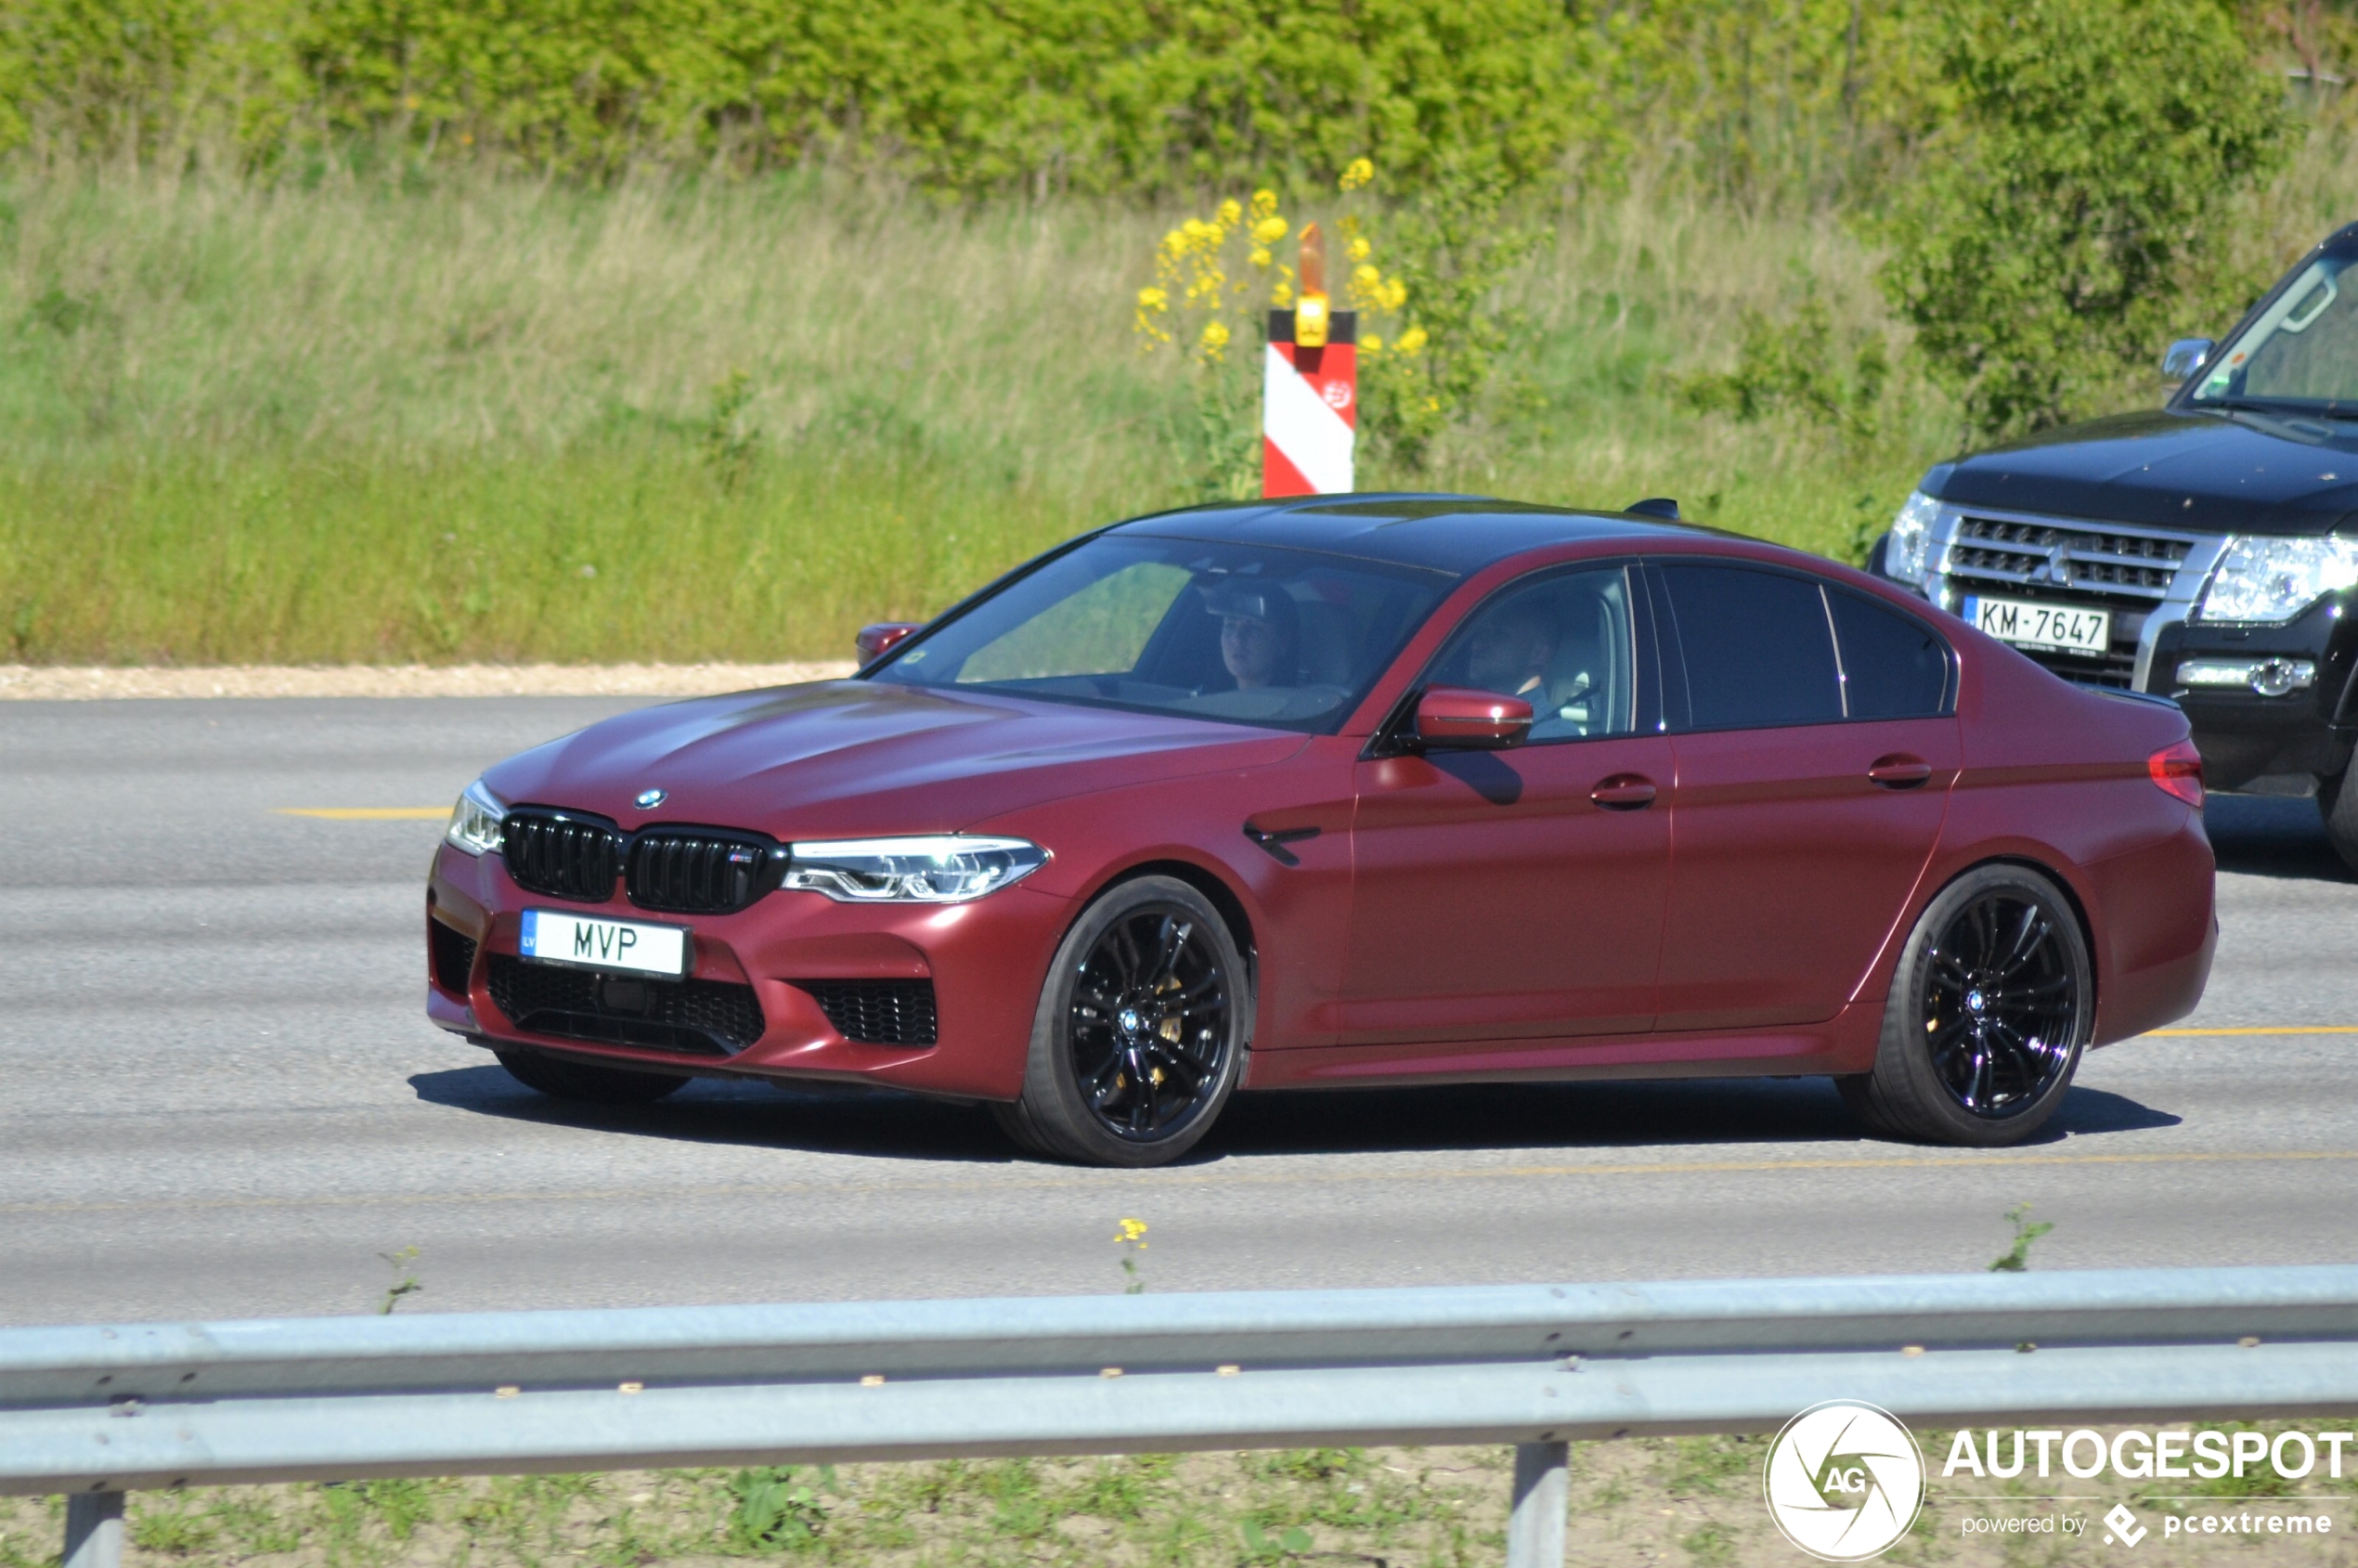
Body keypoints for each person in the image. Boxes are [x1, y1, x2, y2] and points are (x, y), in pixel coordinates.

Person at [1202, 579, 1300, 691]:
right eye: (1230, 626)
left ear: (1283, 643)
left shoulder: (1301, 706)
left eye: (1254, 628)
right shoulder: (1205, 702)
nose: (1237, 639)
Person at [1463, 598, 1558, 700]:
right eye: (1482, 631)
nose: (1478, 643)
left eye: (1500, 635)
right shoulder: (1461, 707)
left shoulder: (1540, 716)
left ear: (1539, 654)